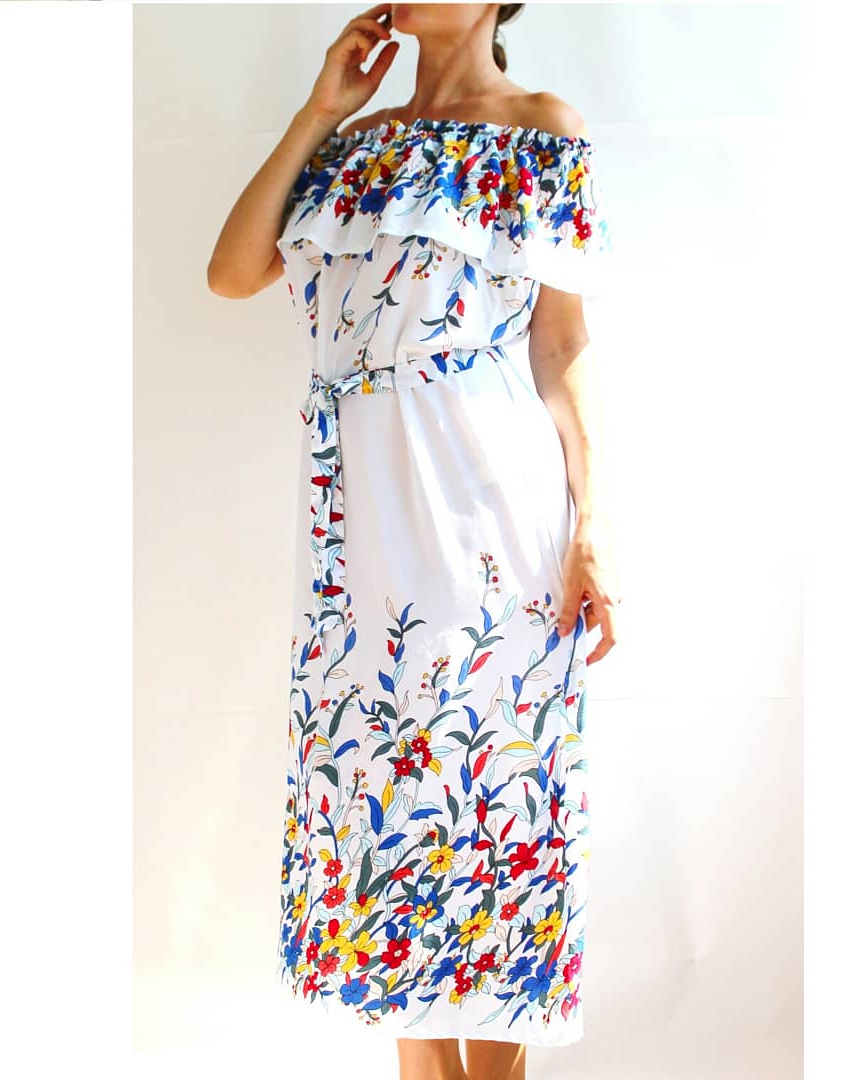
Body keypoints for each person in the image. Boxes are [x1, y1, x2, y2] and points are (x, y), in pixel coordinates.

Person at [208, 4, 622, 1077]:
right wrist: (318, 109)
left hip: (489, 510)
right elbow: (233, 270)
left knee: (488, 807)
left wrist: (594, 528)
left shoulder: (540, 127)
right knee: (386, 809)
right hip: (358, 519)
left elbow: (562, 345)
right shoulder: (353, 145)